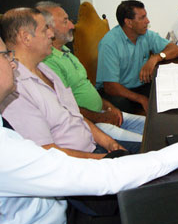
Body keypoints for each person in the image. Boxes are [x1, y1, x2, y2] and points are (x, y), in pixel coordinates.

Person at [0, 35, 178, 224]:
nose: (12, 62)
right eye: (5, 55)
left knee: (161, 205)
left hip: (62, 212)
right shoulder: (5, 151)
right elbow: (100, 176)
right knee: (167, 223)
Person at [0, 8, 139, 157]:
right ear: (25, 37)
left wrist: (109, 142)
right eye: (44, 30)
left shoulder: (45, 68)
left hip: (94, 146)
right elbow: (46, 153)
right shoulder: (15, 89)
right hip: (78, 163)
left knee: (153, 148)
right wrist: (104, 159)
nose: (51, 34)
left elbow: (75, 115)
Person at [36, 1, 145, 143]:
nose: (72, 26)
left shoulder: (66, 52)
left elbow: (87, 88)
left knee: (155, 125)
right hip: (92, 124)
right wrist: (101, 117)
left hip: (103, 113)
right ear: (48, 28)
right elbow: (66, 107)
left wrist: (108, 107)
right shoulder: (47, 63)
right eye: (65, 21)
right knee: (148, 143)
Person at [96, 0, 178, 114]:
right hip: (117, 91)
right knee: (122, 104)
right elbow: (110, 86)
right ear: (129, 23)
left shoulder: (145, 34)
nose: (147, 21)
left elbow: (176, 49)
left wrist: (156, 58)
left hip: (140, 85)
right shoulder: (109, 44)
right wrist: (140, 99)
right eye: (142, 18)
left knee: (169, 90)